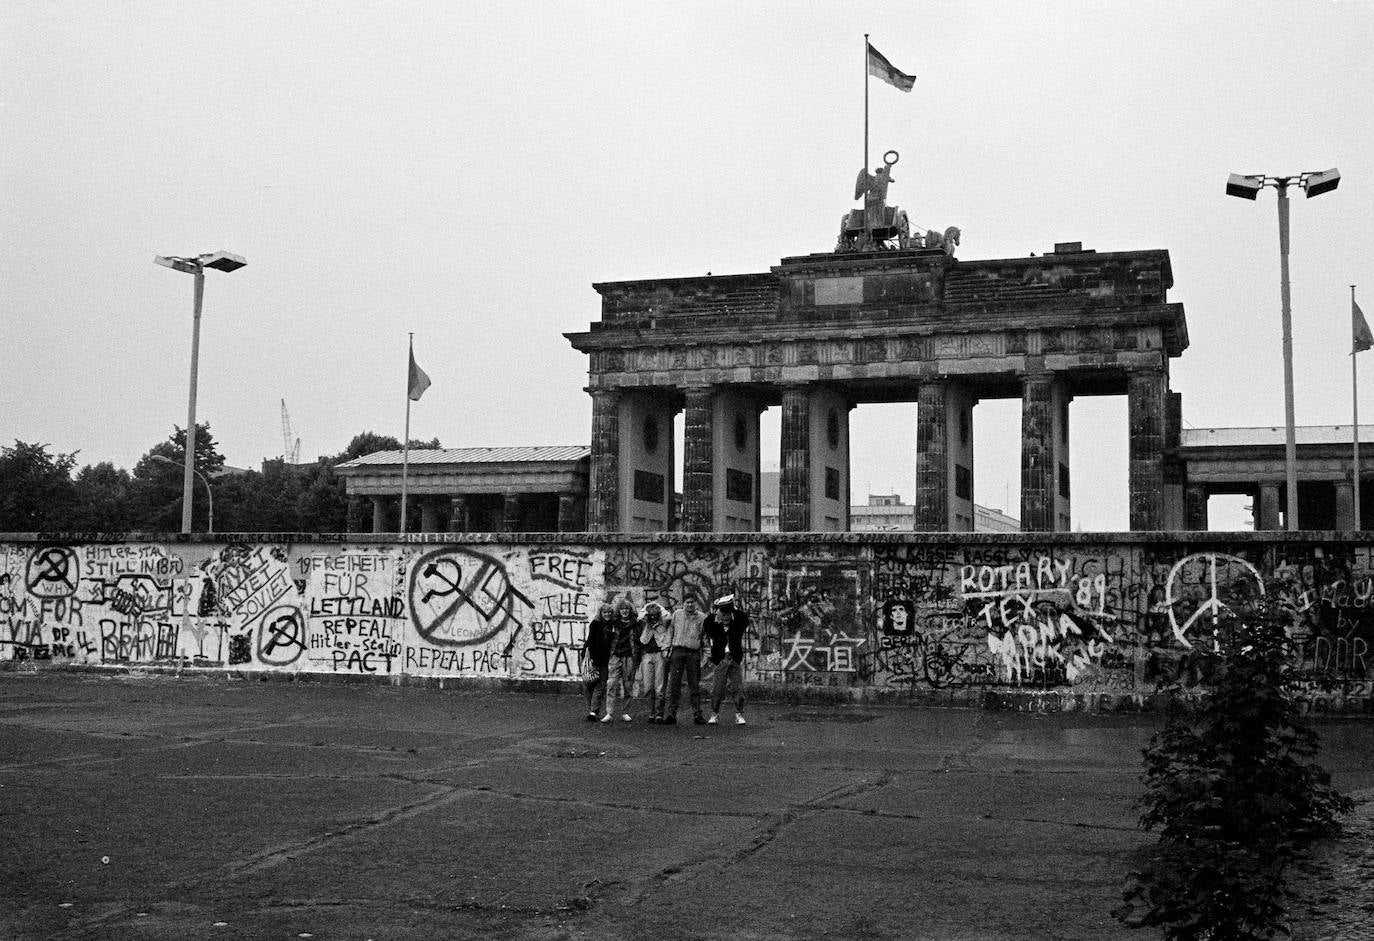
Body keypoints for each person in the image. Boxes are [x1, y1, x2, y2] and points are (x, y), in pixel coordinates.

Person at [705, 594, 750, 725]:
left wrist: (732, 608)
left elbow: (743, 618)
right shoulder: (713, 623)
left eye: (727, 613)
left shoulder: (737, 621)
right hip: (721, 659)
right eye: (722, 613)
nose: (725, 617)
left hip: (734, 658)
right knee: (717, 689)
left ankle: (739, 713)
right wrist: (715, 613)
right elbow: (707, 624)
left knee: (738, 688)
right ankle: (714, 713)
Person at [662, 594, 707, 725]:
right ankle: (671, 714)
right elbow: (671, 631)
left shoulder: (701, 617)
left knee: (694, 685)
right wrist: (666, 648)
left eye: (692, 602)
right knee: (674, 684)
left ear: (695, 603)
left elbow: (704, 638)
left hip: (693, 653)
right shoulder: (677, 615)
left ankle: (697, 714)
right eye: (687, 602)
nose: (690, 605)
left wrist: (706, 656)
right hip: (678, 651)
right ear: (683, 603)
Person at [601, 599, 639, 723]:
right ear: (619, 610)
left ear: (630, 610)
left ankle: (625, 711)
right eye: (622, 609)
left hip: (629, 656)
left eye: (627, 609)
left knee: (628, 685)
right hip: (615, 656)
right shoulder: (614, 623)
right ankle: (609, 712)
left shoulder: (636, 623)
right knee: (611, 683)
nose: (625, 611)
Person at [636, 601, 672, 723]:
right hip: (646, 655)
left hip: (660, 655)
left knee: (660, 687)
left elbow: (668, 615)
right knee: (647, 687)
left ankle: (659, 713)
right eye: (650, 616)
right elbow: (640, 616)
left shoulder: (664, 622)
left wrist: (658, 607)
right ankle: (651, 712)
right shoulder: (644, 623)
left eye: (655, 615)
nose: (653, 618)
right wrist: (647, 607)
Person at [583, 602, 614, 721]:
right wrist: (594, 661)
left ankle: (593, 711)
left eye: (609, 612)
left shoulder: (612, 625)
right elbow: (591, 642)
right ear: (601, 613)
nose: (607, 614)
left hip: (605, 659)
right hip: (592, 657)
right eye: (605, 612)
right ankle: (591, 710)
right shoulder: (595, 624)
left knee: (600, 686)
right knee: (589, 684)